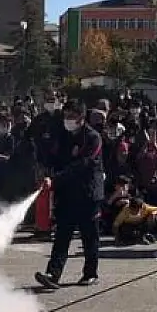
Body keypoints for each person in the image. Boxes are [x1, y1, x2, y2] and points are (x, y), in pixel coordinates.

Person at [34, 99, 104, 289]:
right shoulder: (62, 136)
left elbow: (82, 165)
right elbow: (53, 157)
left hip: (88, 194)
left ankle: (90, 273)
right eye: (66, 116)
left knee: (89, 236)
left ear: (82, 118)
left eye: (72, 117)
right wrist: (46, 171)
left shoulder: (93, 138)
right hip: (66, 194)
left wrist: (55, 179)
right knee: (62, 235)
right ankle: (53, 274)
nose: (68, 120)